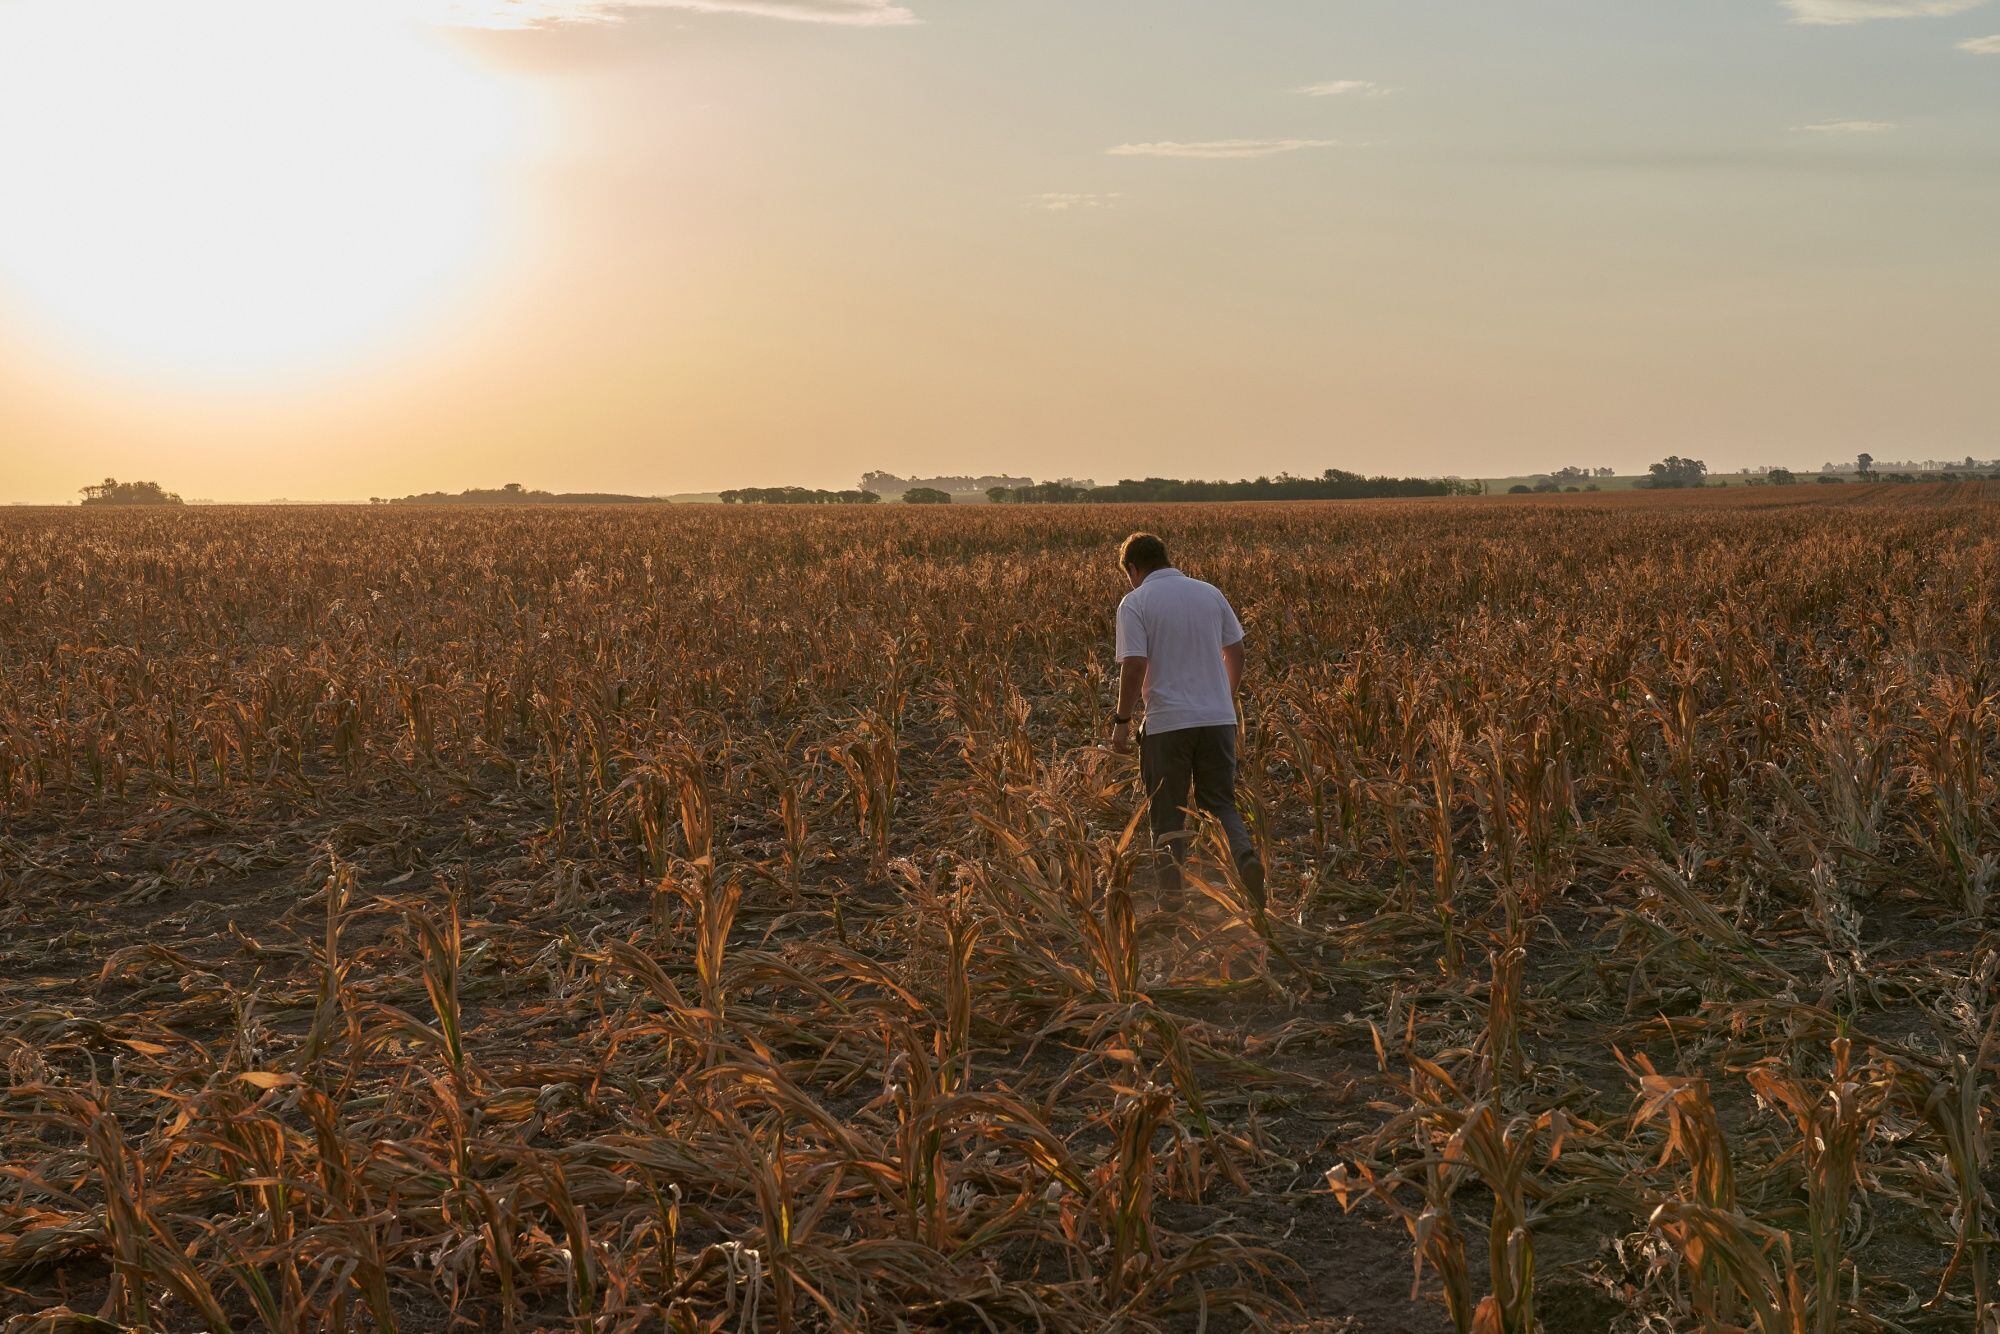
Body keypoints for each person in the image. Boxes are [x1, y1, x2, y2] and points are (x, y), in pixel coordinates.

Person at [1108, 532, 1264, 907]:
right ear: (1165, 557)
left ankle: (1171, 898)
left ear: (1133, 568)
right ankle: (1245, 858)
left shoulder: (1135, 602)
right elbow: (1237, 651)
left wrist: (1122, 720)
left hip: (1167, 725)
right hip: (1217, 719)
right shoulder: (1209, 592)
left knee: (1167, 812)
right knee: (1221, 802)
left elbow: (1134, 665)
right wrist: (1221, 698)